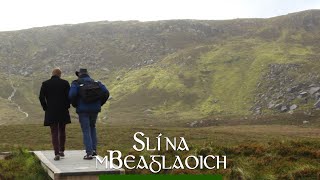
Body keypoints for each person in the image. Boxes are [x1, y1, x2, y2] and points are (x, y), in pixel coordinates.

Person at [69, 68, 109, 160]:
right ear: (87, 74)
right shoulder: (96, 82)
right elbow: (106, 92)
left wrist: (75, 104)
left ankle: (89, 153)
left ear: (79, 75)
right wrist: (100, 103)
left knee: (86, 130)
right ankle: (94, 150)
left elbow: (71, 95)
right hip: (95, 109)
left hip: (83, 110)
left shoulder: (76, 83)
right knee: (92, 127)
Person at [39, 68, 71, 161]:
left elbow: (41, 97)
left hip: (51, 111)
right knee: (62, 130)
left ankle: (56, 153)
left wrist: (46, 107)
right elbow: (69, 96)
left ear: (52, 74)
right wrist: (67, 105)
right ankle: (61, 150)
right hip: (63, 110)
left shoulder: (45, 84)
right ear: (60, 75)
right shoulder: (65, 83)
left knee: (54, 132)